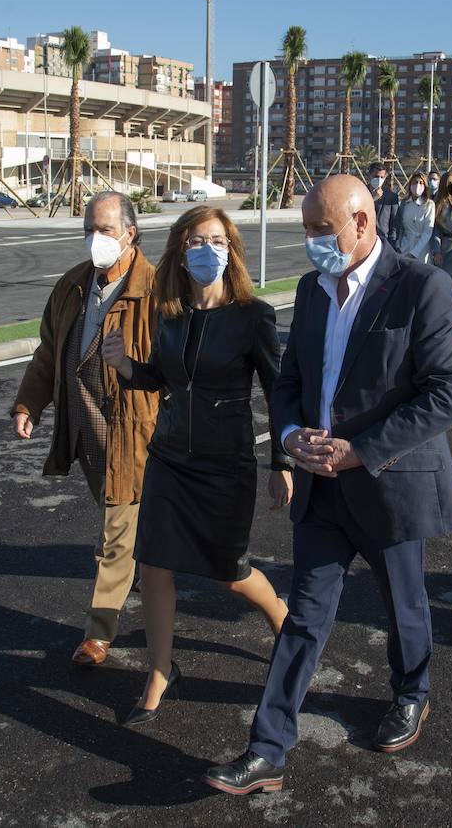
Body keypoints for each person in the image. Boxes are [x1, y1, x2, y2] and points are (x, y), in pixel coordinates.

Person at [202, 175, 452, 796]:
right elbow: (290, 378)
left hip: (388, 483)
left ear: (363, 224)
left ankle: (412, 692)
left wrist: (361, 451)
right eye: (307, 230)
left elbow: (448, 394)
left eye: (322, 231)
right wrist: (290, 436)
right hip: (321, 488)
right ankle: (267, 749)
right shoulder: (312, 289)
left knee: (404, 606)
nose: (312, 242)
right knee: (305, 618)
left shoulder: (421, 286)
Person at [100, 206, 294, 726]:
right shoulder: (170, 314)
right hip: (168, 458)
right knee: (155, 566)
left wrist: (282, 461)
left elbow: (279, 392)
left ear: (230, 250)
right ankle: (160, 671)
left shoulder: (254, 315)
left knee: (228, 573)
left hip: (225, 463)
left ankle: (281, 615)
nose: (208, 249)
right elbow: (163, 380)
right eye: (197, 240)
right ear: (181, 253)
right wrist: (125, 367)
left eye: (217, 240)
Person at [10, 191, 160, 666]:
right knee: (124, 524)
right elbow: (49, 353)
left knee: (115, 535)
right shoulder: (72, 286)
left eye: (106, 230)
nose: (96, 239)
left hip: (135, 434)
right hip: (86, 429)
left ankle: (98, 632)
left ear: (130, 234)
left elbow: (176, 367)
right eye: (89, 230)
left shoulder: (156, 290)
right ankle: (142, 567)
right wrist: (29, 403)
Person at [394, 171, 436, 262]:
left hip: (421, 251)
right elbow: (401, 228)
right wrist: (398, 246)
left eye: (421, 183)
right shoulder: (405, 203)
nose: (418, 185)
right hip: (404, 248)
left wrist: (414, 252)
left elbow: (427, 232)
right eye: (415, 182)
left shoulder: (429, 204)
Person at [367, 162, 400, 246]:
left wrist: (392, 244)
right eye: (376, 176)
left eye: (381, 177)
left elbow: (394, 224)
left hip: (384, 241)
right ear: (369, 176)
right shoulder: (360, 192)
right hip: (365, 239)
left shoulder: (392, 197)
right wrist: (372, 198)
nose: (379, 180)